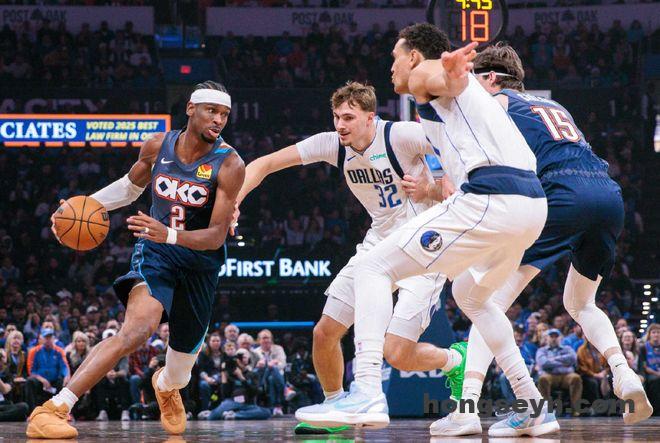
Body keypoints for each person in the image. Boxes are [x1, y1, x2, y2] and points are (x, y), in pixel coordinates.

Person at [298, 24, 555, 438]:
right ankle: (532, 405)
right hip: (532, 205)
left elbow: (437, 77)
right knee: (472, 297)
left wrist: (449, 73)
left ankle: (366, 391)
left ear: (414, 56)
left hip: (491, 195)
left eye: (395, 58)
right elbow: (450, 90)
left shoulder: (424, 74)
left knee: (372, 266)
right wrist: (453, 79)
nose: (392, 68)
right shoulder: (458, 97)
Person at [425, 42, 651, 435]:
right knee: (579, 303)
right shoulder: (555, 106)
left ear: (490, 78)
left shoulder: (495, 103)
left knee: (485, 301)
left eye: (474, 79)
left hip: (563, 196)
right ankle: (624, 372)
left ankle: (467, 409)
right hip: (607, 196)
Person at [235, 81, 463, 435]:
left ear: (370, 118)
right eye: (337, 117)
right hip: (379, 242)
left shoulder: (401, 135)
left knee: (397, 353)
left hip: (424, 245)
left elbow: (457, 150)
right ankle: (335, 406)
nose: (340, 125)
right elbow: (264, 164)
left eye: (348, 118)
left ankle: (454, 360)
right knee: (324, 332)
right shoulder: (332, 144)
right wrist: (235, 201)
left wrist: (432, 187)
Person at [26, 80, 245, 439]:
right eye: (212, 111)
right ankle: (54, 408)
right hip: (157, 254)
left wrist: (168, 233)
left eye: (224, 114)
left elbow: (217, 235)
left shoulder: (230, 163)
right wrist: (83, 206)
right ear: (191, 109)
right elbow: (129, 188)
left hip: (200, 265)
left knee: (181, 371)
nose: (219, 120)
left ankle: (165, 386)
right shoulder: (158, 145)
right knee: (136, 331)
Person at [536, 329, 583, 414]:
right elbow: (544, 363)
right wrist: (563, 363)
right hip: (550, 375)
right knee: (543, 379)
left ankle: (575, 410)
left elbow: (573, 358)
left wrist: (553, 359)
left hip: (566, 375)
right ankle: (545, 410)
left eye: (556, 336)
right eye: (551, 336)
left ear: (560, 338)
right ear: (547, 338)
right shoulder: (541, 350)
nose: (554, 339)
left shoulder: (567, 348)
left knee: (576, 378)